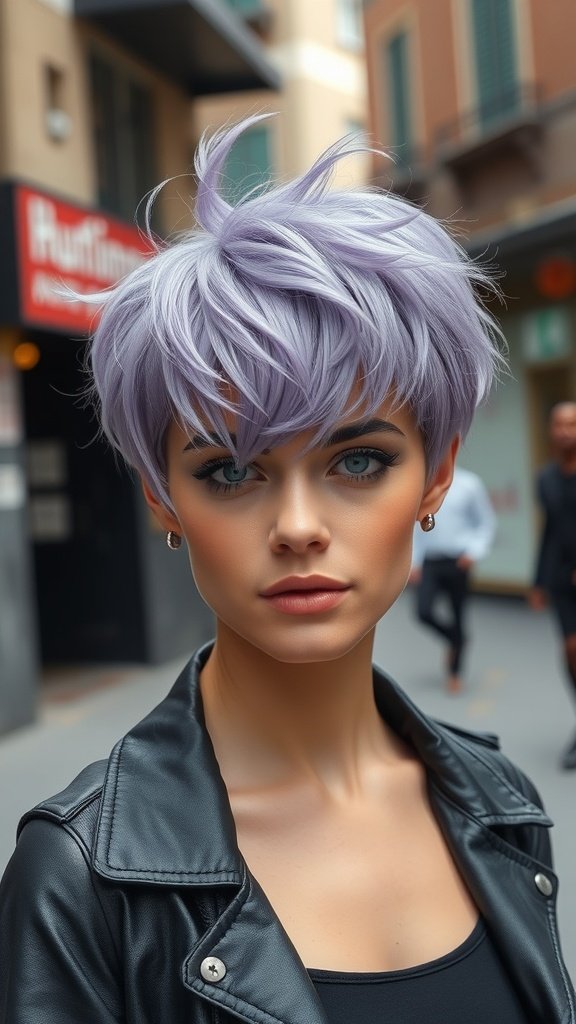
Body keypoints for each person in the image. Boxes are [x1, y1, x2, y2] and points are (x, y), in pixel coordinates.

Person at [1, 116, 573, 1024]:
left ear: (436, 474)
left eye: (358, 461)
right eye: (229, 470)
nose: (299, 527)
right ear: (160, 498)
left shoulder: (502, 804)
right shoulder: (80, 877)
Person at [410, 465, 496, 693]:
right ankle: (456, 640)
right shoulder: (422, 482)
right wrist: (414, 562)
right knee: (423, 612)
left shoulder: (469, 484)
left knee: (458, 614)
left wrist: (473, 552)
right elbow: (416, 526)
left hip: (457, 562)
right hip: (430, 562)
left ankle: (455, 672)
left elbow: (485, 523)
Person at [529, 400, 576, 770]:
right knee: (572, 653)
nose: (565, 431)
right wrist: (539, 580)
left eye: (572, 424)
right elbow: (550, 533)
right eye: (559, 424)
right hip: (563, 583)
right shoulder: (545, 479)